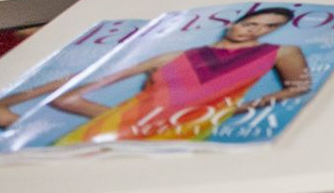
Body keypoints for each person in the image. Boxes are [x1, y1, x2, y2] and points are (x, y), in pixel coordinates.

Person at [38, 9, 308, 144]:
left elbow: (299, 87)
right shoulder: (174, 56)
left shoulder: (282, 51)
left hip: (185, 133)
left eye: (269, 27)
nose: (256, 30)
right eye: (251, 23)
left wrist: (240, 108)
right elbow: (68, 97)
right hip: (125, 127)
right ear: (234, 23)